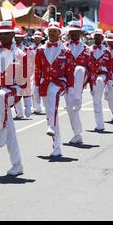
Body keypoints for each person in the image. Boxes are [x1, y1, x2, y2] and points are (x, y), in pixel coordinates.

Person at [0, 21, 27, 176]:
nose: (3, 36)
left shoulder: (21, 54)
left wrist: (14, 89)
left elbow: (23, 81)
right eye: (1, 33)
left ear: (13, 35)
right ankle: (17, 164)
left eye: (6, 33)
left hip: (13, 92)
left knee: (1, 96)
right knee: (10, 129)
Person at [35, 21, 74, 156]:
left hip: (59, 82)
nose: (52, 33)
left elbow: (70, 71)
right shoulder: (40, 50)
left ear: (59, 33)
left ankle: (51, 126)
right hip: (45, 82)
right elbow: (37, 69)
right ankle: (57, 146)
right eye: (50, 31)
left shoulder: (66, 51)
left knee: (52, 95)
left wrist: (71, 89)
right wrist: (36, 86)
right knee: (50, 112)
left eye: (55, 31)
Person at [64, 20, 91, 144]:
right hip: (67, 81)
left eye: (76, 31)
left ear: (80, 33)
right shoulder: (63, 47)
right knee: (70, 108)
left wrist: (93, 84)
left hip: (80, 80)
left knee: (79, 69)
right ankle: (77, 134)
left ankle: (78, 98)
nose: (74, 34)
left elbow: (91, 67)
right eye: (72, 31)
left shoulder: (86, 49)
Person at [89, 29, 112, 132]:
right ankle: (100, 125)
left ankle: (100, 124)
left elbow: (111, 66)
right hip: (92, 77)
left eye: (99, 36)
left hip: (102, 76)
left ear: (103, 38)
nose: (97, 38)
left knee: (97, 100)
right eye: (96, 36)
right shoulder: (89, 50)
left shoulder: (107, 51)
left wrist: (109, 79)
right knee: (96, 101)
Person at [13, 26, 32, 119]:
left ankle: (28, 108)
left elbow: (31, 62)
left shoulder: (27, 49)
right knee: (16, 92)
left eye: (19, 37)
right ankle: (19, 113)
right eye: (16, 37)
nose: (17, 39)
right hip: (14, 74)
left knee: (26, 91)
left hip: (25, 73)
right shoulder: (10, 49)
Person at [30, 31, 44, 114]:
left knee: (40, 89)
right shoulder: (30, 48)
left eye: (38, 38)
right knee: (33, 89)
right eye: (35, 38)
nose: (37, 39)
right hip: (32, 71)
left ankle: (40, 106)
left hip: (41, 71)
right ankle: (36, 106)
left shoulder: (43, 48)